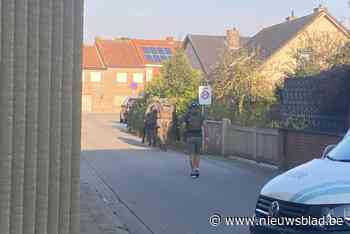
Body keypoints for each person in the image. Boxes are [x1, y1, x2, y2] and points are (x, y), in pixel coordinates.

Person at [184, 102, 204, 178]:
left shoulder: (188, 115)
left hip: (190, 137)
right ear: (197, 108)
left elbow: (182, 122)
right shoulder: (201, 116)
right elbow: (203, 125)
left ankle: (193, 170)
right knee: (198, 154)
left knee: (191, 154)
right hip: (199, 136)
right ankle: (197, 168)